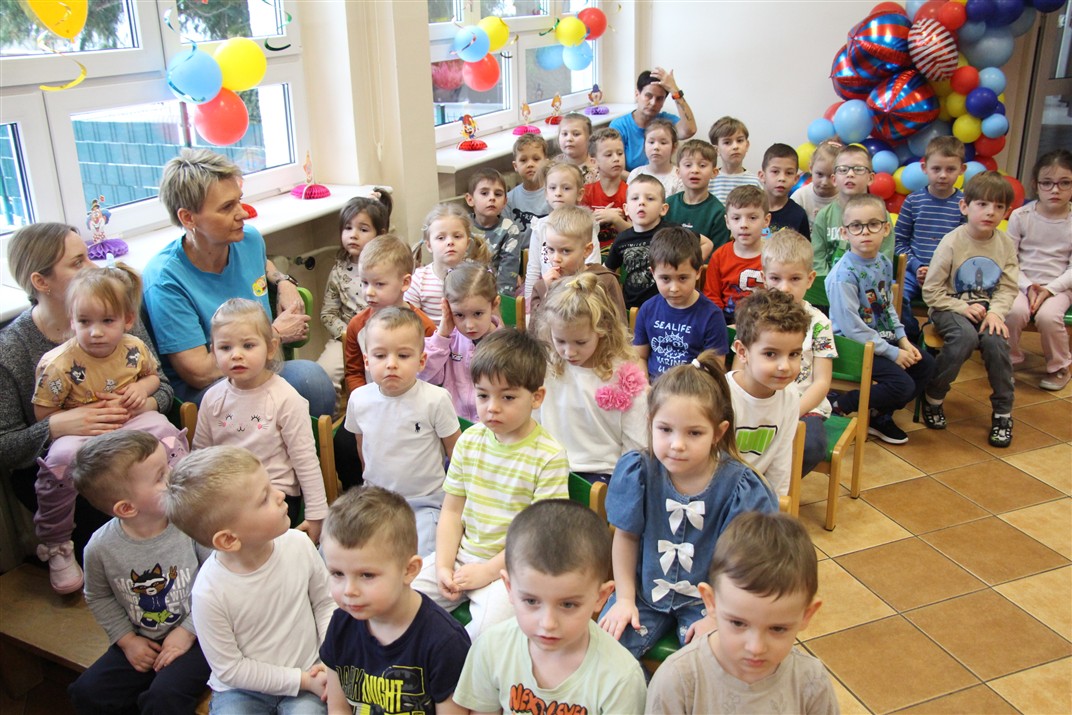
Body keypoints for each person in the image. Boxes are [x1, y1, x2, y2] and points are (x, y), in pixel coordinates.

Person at [1, 223, 174, 563]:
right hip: (65, 472)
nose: (93, 266)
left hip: (130, 445)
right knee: (116, 545)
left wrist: (142, 400)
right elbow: (5, 446)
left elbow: (163, 387)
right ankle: (60, 550)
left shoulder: (113, 313)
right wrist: (57, 425)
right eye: (78, 261)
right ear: (41, 282)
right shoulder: (12, 350)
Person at [598, 351, 778, 659]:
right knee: (604, 652)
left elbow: (742, 563)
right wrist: (625, 599)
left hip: (711, 602)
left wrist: (718, 615)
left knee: (716, 659)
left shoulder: (740, 487)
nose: (677, 444)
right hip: (642, 593)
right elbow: (626, 538)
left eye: (694, 433)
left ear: (718, 433)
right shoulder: (638, 471)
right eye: (665, 429)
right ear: (650, 423)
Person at [142, 148, 334, 417]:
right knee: (273, 401)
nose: (242, 213)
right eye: (226, 207)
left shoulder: (249, 239)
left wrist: (284, 281)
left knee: (314, 381)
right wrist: (275, 334)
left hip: (259, 369)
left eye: (239, 201)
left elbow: (262, 263)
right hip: (210, 388)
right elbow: (199, 372)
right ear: (188, 218)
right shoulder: (165, 279)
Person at [31, 265, 188, 594]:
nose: (96, 332)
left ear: (127, 320)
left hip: (128, 419)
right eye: (84, 322)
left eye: (107, 321)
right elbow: (44, 414)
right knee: (58, 462)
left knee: (167, 433)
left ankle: (184, 506)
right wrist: (80, 416)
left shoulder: (134, 348)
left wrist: (142, 389)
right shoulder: (57, 364)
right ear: (71, 320)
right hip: (81, 430)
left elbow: (153, 377)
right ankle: (58, 545)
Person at [412, 329, 570, 638]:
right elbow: (452, 512)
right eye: (483, 395)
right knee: (402, 599)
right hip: (462, 555)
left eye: (507, 397)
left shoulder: (549, 456)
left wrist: (487, 571)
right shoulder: (469, 440)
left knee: (487, 633)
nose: (492, 407)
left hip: (514, 567)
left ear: (536, 397)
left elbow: (537, 540)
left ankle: (457, 666)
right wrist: (443, 566)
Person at [164, 446, 336, 713]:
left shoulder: (299, 544)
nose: (280, 495)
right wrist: (299, 680)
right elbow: (231, 669)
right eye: (264, 498)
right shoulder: (208, 592)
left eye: (271, 485)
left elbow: (325, 604)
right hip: (243, 690)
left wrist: (328, 659)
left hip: (310, 672)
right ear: (228, 539)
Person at [454, 500, 648, 713]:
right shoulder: (490, 648)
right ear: (509, 587)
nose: (548, 623)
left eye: (568, 604)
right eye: (531, 601)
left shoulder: (621, 679)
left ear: (600, 597)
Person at [67, 431, 211, 715]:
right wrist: (127, 641)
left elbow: (217, 582)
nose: (172, 475)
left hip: (200, 635)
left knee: (164, 697)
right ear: (126, 507)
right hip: (141, 637)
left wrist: (188, 631)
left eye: (167, 465)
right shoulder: (99, 547)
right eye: (160, 476)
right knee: (87, 692)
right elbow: (98, 596)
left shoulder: (189, 522)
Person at [646, 511, 837, 714]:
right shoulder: (677, 680)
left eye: (778, 629)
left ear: (807, 615)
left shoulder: (812, 682)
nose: (756, 647)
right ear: (711, 602)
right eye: (738, 623)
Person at [319, 486, 470, 714]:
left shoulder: (444, 642)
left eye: (366, 575)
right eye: (337, 574)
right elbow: (338, 708)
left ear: (409, 570)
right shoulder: (341, 625)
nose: (349, 590)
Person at [193, 298, 329, 544]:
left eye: (248, 345)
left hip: (274, 493)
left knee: (249, 541)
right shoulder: (212, 398)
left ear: (271, 347)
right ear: (213, 351)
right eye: (225, 348)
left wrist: (317, 513)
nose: (236, 355)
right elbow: (200, 456)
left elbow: (305, 460)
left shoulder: (285, 398)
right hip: (229, 494)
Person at [346, 307, 461, 556]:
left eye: (403, 355)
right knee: (352, 551)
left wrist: (457, 501)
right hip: (375, 500)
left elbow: (456, 452)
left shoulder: (436, 399)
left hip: (425, 502)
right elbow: (362, 447)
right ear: (367, 361)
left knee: (425, 557)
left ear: (421, 361)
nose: (391, 364)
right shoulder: (358, 399)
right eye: (380, 355)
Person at [827, 195, 934, 445]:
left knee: (926, 364)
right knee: (902, 385)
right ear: (845, 233)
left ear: (886, 229)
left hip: (880, 340)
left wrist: (903, 340)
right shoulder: (843, 275)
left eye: (873, 224)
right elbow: (852, 328)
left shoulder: (883, 263)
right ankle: (842, 403)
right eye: (856, 226)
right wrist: (893, 353)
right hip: (851, 346)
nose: (865, 232)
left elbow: (886, 307)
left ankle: (878, 415)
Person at [922, 172, 1019, 447]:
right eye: (982, 204)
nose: (990, 212)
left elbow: (1008, 287)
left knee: (996, 342)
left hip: (988, 310)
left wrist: (996, 312)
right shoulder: (952, 242)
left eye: (998, 207)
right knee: (964, 337)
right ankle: (933, 396)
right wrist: (962, 307)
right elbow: (931, 291)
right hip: (949, 307)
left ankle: (1003, 412)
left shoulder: (1005, 244)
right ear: (965, 206)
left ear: (1006, 212)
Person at [338, 235, 437, 488]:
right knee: (344, 444)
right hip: (373, 403)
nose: (369, 292)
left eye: (379, 284)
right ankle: (360, 494)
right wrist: (365, 402)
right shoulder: (357, 325)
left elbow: (433, 373)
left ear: (405, 283)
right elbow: (354, 371)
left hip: (413, 404)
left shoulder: (424, 327)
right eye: (364, 283)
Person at [536, 274, 647, 483]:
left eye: (580, 342)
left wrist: (623, 482)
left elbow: (637, 445)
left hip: (603, 473)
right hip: (549, 467)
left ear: (602, 330)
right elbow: (533, 421)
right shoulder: (546, 366)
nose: (569, 352)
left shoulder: (624, 377)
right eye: (560, 341)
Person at [762, 230, 837, 476]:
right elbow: (741, 369)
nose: (784, 288)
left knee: (811, 447)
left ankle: (780, 491)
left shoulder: (819, 323)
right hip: (760, 402)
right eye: (775, 278)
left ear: (810, 279)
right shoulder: (754, 318)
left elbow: (822, 382)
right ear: (764, 278)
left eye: (795, 278)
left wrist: (792, 412)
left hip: (804, 407)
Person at [727, 290, 810, 497]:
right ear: (742, 352)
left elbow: (781, 462)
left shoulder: (790, 396)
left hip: (755, 494)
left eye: (794, 354)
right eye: (770, 354)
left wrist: (775, 504)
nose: (785, 366)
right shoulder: (721, 395)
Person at [1005, 149, 1072, 391]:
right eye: (1047, 183)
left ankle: (1060, 366)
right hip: (1021, 283)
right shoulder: (1020, 216)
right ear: (1036, 184)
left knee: (1048, 317)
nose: (1055, 190)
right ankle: (1008, 360)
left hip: (1060, 287)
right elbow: (1009, 260)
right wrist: (1027, 286)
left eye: (1064, 183)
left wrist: (1049, 290)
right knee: (1013, 312)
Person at [894, 136, 967, 341]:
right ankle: (912, 337)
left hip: (948, 275)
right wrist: (917, 266)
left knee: (955, 305)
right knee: (895, 297)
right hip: (913, 271)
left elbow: (966, 246)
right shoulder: (913, 201)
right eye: (936, 169)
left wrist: (939, 270)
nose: (943, 175)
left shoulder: (964, 204)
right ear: (924, 168)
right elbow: (899, 242)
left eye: (950, 169)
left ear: (962, 169)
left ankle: (937, 336)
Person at [317, 191, 392, 387]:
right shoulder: (338, 272)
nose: (353, 235)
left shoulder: (390, 269)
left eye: (363, 229)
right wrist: (348, 334)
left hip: (387, 336)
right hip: (346, 339)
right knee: (323, 374)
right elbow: (328, 314)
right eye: (348, 228)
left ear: (380, 234)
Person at [634, 227, 728, 379]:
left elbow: (715, 368)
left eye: (683, 278)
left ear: (698, 272)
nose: (674, 288)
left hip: (693, 388)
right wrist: (644, 385)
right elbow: (640, 356)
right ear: (653, 273)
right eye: (665, 278)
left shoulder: (712, 316)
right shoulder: (647, 309)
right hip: (653, 386)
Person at [420, 262, 504, 423]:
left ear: (494, 304)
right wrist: (442, 335)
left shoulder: (506, 345)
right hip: (450, 421)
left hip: (489, 424)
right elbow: (425, 375)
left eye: (477, 314)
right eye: (459, 315)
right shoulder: (447, 340)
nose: (469, 325)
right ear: (447, 308)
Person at [528, 205, 625, 329]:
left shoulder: (605, 281)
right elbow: (534, 333)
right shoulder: (541, 287)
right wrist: (549, 294)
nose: (555, 258)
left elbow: (619, 328)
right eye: (550, 249)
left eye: (565, 251)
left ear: (587, 250)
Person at [812, 145, 894, 279]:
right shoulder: (824, 216)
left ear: (870, 178)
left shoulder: (881, 215)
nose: (850, 174)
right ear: (834, 179)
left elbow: (885, 259)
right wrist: (832, 284)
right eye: (843, 170)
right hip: (829, 286)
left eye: (858, 169)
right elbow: (817, 260)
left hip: (869, 285)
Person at [524, 162, 601, 303]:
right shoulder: (540, 227)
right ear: (546, 193)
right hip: (548, 293)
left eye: (566, 188)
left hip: (580, 296)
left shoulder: (585, 226)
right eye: (552, 188)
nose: (558, 193)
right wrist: (528, 303)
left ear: (579, 194)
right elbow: (533, 270)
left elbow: (593, 267)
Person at [405, 203, 491, 324]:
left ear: (467, 243)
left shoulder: (476, 276)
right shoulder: (417, 281)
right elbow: (411, 325)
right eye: (441, 238)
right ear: (429, 245)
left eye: (457, 236)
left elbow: (492, 319)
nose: (450, 242)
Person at [605, 174, 679, 309]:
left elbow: (706, 244)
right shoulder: (622, 239)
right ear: (626, 209)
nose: (641, 202)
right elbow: (608, 270)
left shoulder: (672, 232)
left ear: (663, 209)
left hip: (666, 306)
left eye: (650, 198)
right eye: (635, 198)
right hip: (632, 308)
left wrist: (685, 266)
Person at [704, 185, 770, 325]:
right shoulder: (720, 256)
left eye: (752, 218)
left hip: (766, 322)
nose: (743, 225)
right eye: (736, 218)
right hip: (727, 321)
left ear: (766, 220)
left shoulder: (774, 256)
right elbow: (712, 298)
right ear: (727, 222)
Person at [610, 68, 697, 171]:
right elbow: (615, 169)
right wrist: (642, 179)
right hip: (632, 179)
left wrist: (675, 91)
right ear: (637, 94)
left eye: (659, 99)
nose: (653, 103)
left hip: (663, 177)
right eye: (648, 96)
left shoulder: (666, 122)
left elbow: (690, 130)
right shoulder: (619, 126)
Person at [465, 168, 526, 296]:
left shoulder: (510, 230)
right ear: (470, 199)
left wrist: (499, 303)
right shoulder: (462, 226)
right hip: (464, 290)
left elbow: (508, 276)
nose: (492, 198)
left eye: (498, 194)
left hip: (494, 293)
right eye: (484, 193)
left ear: (505, 202)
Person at [666, 139, 729, 256]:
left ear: (714, 172)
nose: (695, 170)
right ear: (678, 172)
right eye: (688, 165)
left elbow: (717, 255)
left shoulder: (718, 212)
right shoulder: (668, 205)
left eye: (702, 165)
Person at [582, 128, 632, 250]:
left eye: (620, 153)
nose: (616, 158)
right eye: (609, 155)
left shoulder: (631, 192)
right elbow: (578, 231)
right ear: (594, 162)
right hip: (592, 253)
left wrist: (615, 219)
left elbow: (635, 232)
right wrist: (599, 216)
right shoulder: (586, 193)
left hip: (623, 253)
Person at [707, 117, 764, 204]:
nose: (735, 146)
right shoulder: (709, 181)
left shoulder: (755, 182)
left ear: (747, 145)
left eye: (740, 140)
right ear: (716, 150)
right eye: (727, 142)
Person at [760, 143, 811, 236]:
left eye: (789, 173)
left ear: (796, 179)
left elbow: (804, 245)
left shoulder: (798, 214)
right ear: (762, 176)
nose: (782, 178)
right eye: (775, 171)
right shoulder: (749, 208)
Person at [627, 118, 685, 198]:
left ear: (674, 147)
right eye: (651, 142)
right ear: (644, 145)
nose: (656, 147)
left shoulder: (679, 177)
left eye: (663, 143)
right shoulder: (635, 174)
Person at [504, 134, 551, 231]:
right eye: (523, 160)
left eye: (536, 159)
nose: (530, 164)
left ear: (546, 163)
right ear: (515, 166)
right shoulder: (509, 200)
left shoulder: (555, 194)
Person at [791, 140, 841, 228]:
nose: (825, 182)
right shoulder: (800, 197)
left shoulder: (846, 198)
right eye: (820, 174)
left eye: (832, 176)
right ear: (810, 168)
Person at [554, 112, 598, 184]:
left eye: (576, 134)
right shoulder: (554, 165)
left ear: (589, 138)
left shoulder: (597, 170)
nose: (569, 139)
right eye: (565, 134)